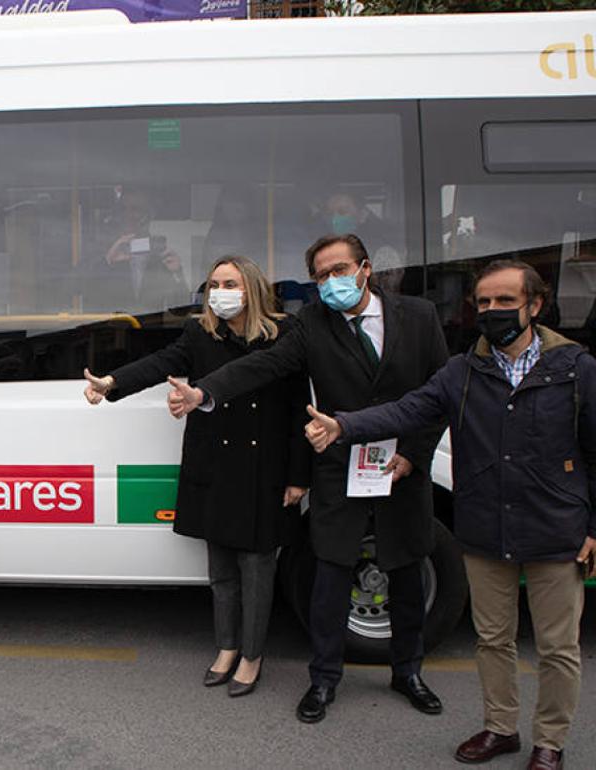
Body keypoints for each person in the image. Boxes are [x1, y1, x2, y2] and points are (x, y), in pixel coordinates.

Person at [304, 260, 595, 770]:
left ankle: (549, 741)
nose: (492, 312)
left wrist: (593, 527)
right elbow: (407, 409)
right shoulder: (464, 371)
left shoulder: (576, 368)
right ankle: (500, 729)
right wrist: (345, 425)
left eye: (505, 301)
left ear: (535, 305)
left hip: (555, 527)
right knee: (493, 640)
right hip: (484, 526)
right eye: (483, 303)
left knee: (556, 648)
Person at [167, 233, 450, 724]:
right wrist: (205, 393)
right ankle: (323, 681)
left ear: (365, 269)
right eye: (321, 276)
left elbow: (439, 392)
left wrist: (414, 457)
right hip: (338, 464)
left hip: (400, 468)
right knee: (330, 581)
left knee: (406, 577)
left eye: (339, 270)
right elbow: (263, 364)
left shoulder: (419, 317)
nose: (331, 282)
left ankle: (408, 673)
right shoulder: (311, 323)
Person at [84, 256, 310, 696]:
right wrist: (112, 382)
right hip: (216, 463)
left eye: (230, 282)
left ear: (253, 289)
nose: (220, 291)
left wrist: (298, 477)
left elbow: (299, 405)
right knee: (221, 570)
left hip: (266, 467)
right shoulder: (199, 332)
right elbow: (158, 363)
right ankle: (226, 647)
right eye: (213, 284)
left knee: (258, 568)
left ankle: (251, 655)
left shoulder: (286, 335)